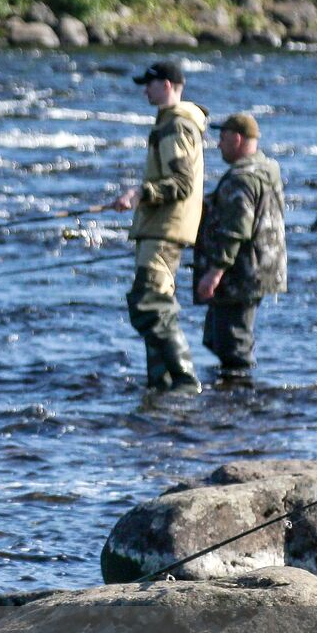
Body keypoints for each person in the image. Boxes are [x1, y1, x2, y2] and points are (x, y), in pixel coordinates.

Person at [110, 61, 209, 394]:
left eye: (149, 84)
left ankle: (184, 381)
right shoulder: (171, 123)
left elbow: (181, 183)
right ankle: (161, 384)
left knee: (149, 303)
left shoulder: (176, 125)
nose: (144, 90)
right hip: (159, 227)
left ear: (167, 85)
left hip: (164, 228)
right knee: (155, 304)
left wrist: (141, 193)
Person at [193, 112, 287, 378]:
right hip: (262, 268)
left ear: (236, 138)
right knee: (217, 338)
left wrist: (214, 273)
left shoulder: (241, 178)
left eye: (222, 138)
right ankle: (233, 394)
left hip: (240, 273)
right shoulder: (268, 168)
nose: (219, 145)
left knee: (232, 344)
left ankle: (242, 399)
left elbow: (236, 230)